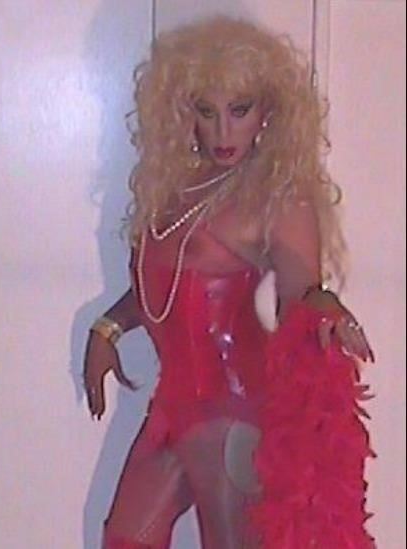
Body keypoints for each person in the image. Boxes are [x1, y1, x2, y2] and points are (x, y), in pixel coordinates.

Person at [83, 16, 375, 549]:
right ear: (183, 110)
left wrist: (325, 306)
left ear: (268, 112)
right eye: (207, 110)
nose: (223, 132)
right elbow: (164, 288)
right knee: (124, 539)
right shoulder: (175, 186)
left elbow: (300, 292)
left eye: (239, 110)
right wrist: (108, 328)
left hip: (233, 411)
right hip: (171, 408)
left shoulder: (275, 195)